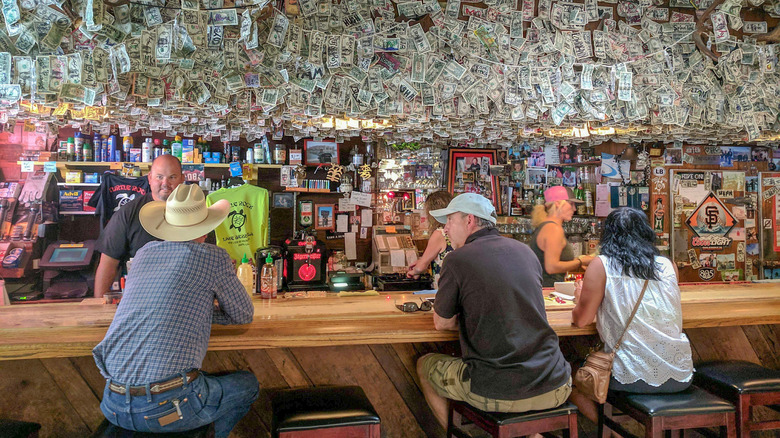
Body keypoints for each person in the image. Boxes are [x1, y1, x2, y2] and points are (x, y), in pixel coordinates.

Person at [93, 184, 258, 438]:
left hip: (112, 402)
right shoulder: (213, 257)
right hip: (167, 407)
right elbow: (243, 314)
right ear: (206, 228)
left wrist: (195, 310)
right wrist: (201, 312)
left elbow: (152, 307)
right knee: (248, 385)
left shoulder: (145, 253)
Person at [416, 193, 572, 427]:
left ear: (469, 220)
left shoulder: (457, 259)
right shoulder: (525, 252)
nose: (445, 229)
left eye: (449, 221)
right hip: (557, 383)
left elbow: (443, 323)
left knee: (424, 364)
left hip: (497, 389)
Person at [570, 207, 693, 422]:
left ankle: (612, 434)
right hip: (680, 373)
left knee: (570, 378)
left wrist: (580, 296)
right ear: (646, 233)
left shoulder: (602, 265)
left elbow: (581, 320)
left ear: (607, 235)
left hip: (629, 374)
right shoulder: (667, 265)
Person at [93, 154, 184, 298]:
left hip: (182, 298)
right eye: (159, 177)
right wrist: (99, 307)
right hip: (139, 299)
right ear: (149, 178)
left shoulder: (193, 212)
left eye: (172, 177)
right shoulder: (128, 213)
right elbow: (108, 263)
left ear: (182, 179)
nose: (165, 183)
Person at [530, 186, 594, 287]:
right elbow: (551, 267)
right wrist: (580, 261)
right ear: (558, 203)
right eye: (571, 204)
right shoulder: (553, 229)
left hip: (541, 289)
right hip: (547, 290)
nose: (574, 208)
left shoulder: (546, 225)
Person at [406, 191, 454, 289]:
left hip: (443, 290)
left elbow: (420, 267)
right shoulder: (458, 232)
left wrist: (413, 272)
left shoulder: (440, 234)